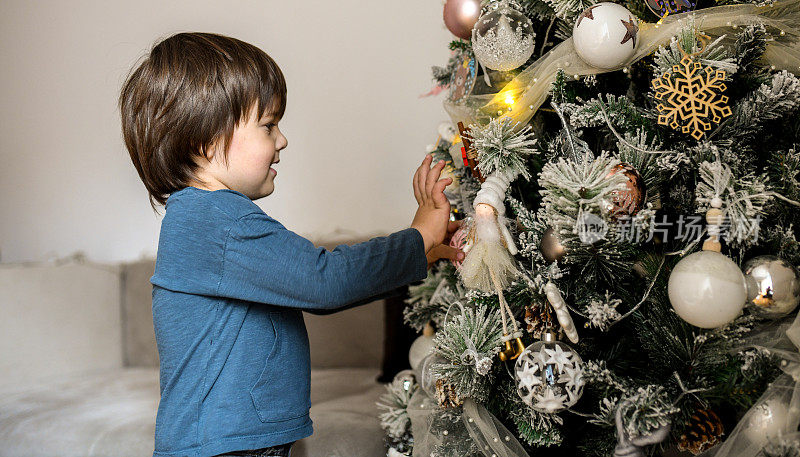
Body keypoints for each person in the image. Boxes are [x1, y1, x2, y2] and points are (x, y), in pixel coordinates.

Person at [118, 32, 463, 457]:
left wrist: (418, 255)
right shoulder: (217, 220)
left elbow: (308, 279)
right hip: (223, 448)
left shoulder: (206, 217)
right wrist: (420, 235)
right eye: (268, 126)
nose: (282, 140)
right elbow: (326, 281)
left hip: (236, 442)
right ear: (204, 143)